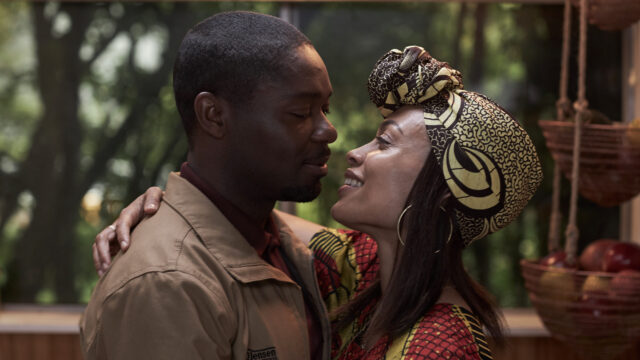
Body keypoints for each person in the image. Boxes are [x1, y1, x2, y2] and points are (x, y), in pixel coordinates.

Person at [94, 46, 543, 359]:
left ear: (442, 193)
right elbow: (234, 214)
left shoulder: (439, 346)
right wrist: (166, 203)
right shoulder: (367, 266)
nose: (355, 150)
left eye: (384, 143)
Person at [81, 11, 337, 360]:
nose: (329, 131)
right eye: (300, 113)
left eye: (325, 109)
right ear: (214, 115)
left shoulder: (278, 243)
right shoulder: (168, 281)